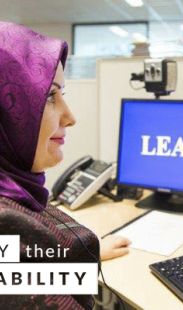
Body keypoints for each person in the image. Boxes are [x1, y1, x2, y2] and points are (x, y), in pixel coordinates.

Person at [0, 22, 130, 309]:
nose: (70, 116)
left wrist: (86, 254)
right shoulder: (6, 225)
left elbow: (25, 278)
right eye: (49, 96)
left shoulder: (16, 194)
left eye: (63, 95)